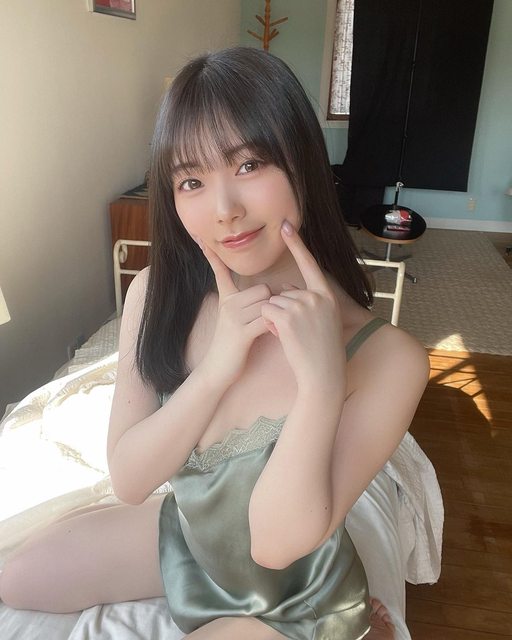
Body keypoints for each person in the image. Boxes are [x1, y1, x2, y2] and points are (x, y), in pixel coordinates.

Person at [0, 47, 429, 639]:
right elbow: (130, 481)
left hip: (289, 599)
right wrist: (218, 366)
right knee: (17, 578)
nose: (224, 210)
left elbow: (275, 545)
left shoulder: (389, 357)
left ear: (303, 164)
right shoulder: (156, 293)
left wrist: (322, 384)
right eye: (192, 181)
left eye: (249, 165)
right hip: (189, 541)